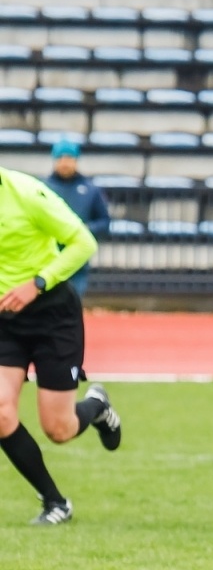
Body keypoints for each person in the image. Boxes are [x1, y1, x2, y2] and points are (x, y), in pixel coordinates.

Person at [0, 166, 123, 525]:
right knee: (1, 414)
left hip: (51, 314)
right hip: (5, 319)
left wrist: (37, 283)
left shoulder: (27, 194)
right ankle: (55, 503)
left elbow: (84, 242)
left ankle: (97, 407)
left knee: (59, 429)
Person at [40, 140, 110, 298]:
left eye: (69, 158)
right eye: (61, 158)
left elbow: (104, 222)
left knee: (73, 302)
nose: (65, 163)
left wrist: (85, 230)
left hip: (77, 260)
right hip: (47, 259)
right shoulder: (42, 187)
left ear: (76, 160)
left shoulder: (91, 189)